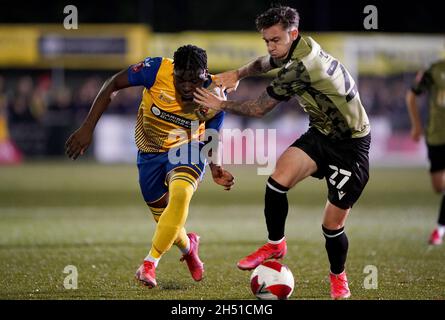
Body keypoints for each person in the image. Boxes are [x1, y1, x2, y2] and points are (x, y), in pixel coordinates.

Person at [194, 6, 371, 299]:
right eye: (266, 40)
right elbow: (266, 62)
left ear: (293, 33)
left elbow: (259, 108)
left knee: (332, 225)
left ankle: (338, 277)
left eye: (275, 40)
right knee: (276, 181)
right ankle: (276, 244)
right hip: (320, 134)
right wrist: (239, 73)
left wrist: (220, 104)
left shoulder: (302, 67)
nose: (270, 46)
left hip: (350, 147)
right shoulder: (298, 48)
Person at [65, 45, 234, 288]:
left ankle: (149, 264)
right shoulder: (155, 70)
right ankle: (189, 247)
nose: (186, 86)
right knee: (166, 221)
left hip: (187, 148)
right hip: (150, 153)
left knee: (180, 195)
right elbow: (113, 83)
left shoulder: (215, 96)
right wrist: (87, 127)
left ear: (205, 73)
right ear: (173, 71)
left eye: (193, 80)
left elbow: (212, 134)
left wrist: (215, 165)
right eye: (181, 78)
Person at [406, 59, 445, 245]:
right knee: (439, 187)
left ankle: (439, 230)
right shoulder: (435, 70)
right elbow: (412, 96)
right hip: (436, 137)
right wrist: (416, 126)